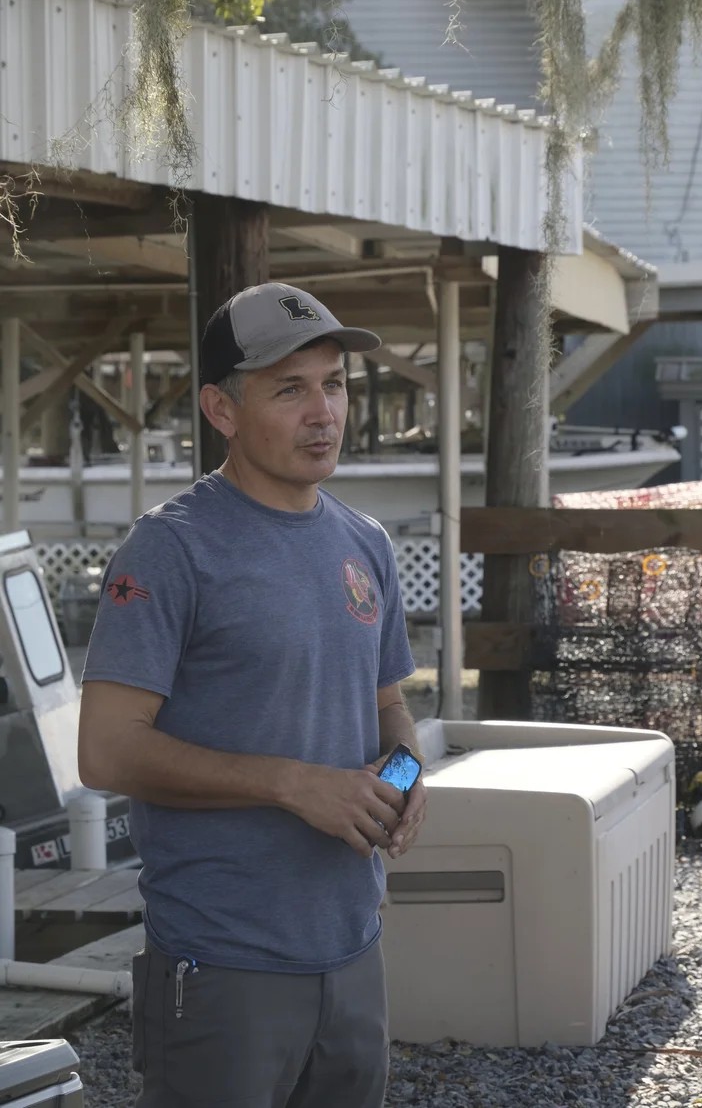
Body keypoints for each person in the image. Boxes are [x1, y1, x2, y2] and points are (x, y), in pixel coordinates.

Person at [77, 282, 427, 1108]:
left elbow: (391, 709)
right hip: (222, 961)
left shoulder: (364, 542)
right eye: (289, 388)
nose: (324, 413)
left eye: (335, 384)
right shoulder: (169, 549)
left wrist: (406, 778)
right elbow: (104, 751)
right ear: (221, 409)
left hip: (354, 948)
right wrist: (290, 782)